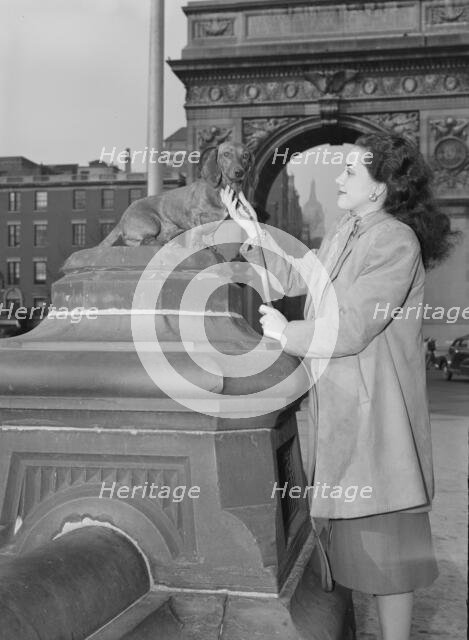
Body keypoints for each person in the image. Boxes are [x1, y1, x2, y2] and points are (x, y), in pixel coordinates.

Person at [221, 133, 459, 640]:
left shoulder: (394, 239)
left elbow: (353, 323)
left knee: (389, 560)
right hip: (347, 420)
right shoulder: (345, 230)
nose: (338, 178)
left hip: (379, 426)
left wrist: (290, 333)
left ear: (381, 188)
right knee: (359, 554)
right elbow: (297, 278)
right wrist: (252, 229)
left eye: (351, 171)